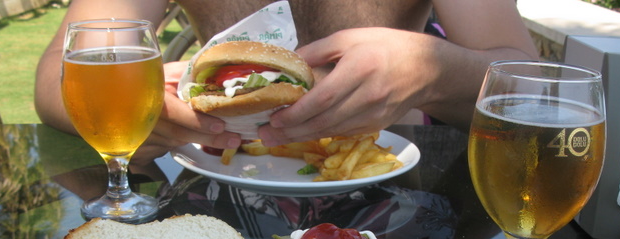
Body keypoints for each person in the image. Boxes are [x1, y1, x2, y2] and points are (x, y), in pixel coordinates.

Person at [34, 0, 538, 153]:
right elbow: (57, 76)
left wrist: (432, 68)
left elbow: (531, 86)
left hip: (398, 193)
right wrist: (129, 107)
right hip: (219, 179)